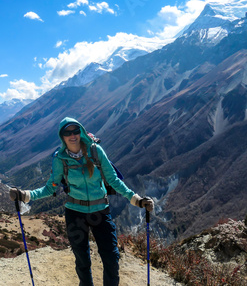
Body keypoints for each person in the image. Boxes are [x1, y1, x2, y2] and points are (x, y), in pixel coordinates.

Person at [9, 117, 154, 286]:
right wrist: (25, 195)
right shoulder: (60, 159)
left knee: (111, 257)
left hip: (100, 212)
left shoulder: (96, 151)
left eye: (75, 131)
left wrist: (136, 199)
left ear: (81, 132)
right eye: (67, 132)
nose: (72, 135)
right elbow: (50, 188)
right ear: (61, 136)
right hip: (75, 213)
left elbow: (113, 180)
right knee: (82, 261)